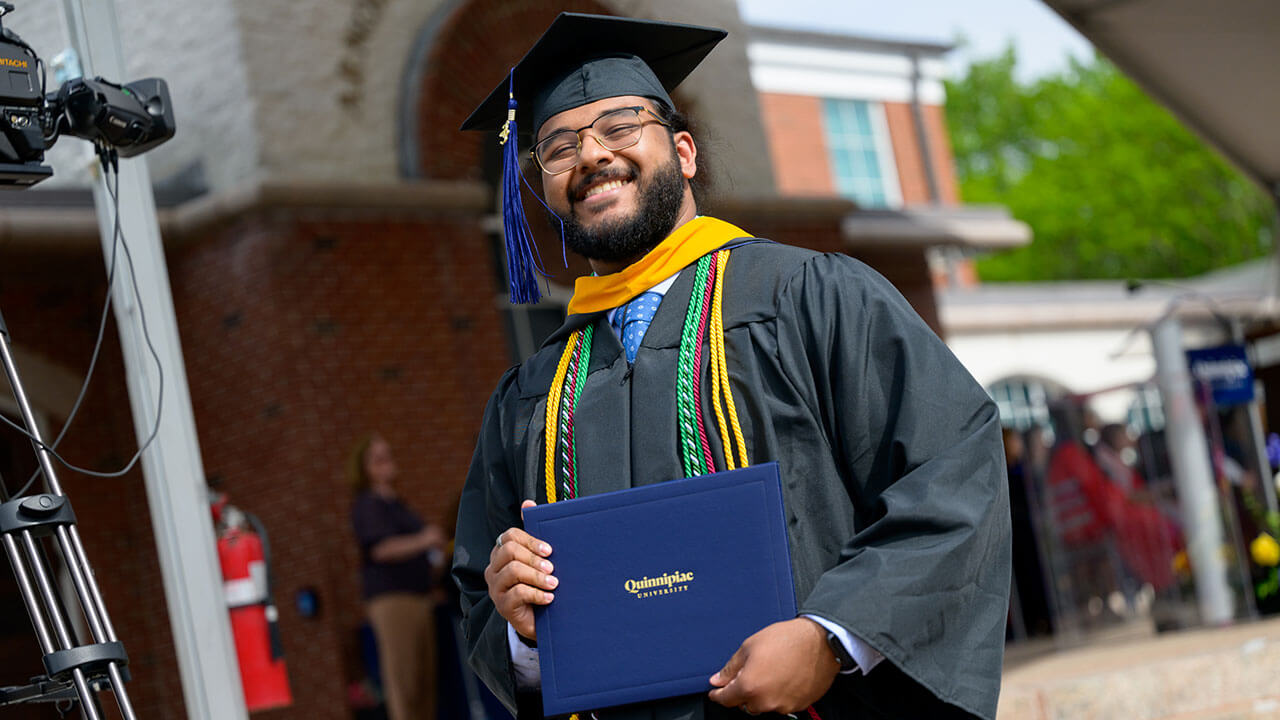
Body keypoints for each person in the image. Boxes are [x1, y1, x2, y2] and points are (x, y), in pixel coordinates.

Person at [452, 13, 1010, 720]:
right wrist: (521, 626)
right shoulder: (530, 396)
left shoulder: (812, 297)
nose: (591, 154)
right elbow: (483, 597)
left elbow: (950, 472)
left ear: (684, 152)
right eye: (558, 146)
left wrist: (832, 638)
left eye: (621, 126)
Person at [350, 433, 446, 720]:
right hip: (392, 601)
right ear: (364, 468)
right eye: (377, 458)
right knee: (403, 682)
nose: (386, 462)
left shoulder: (398, 504)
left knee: (423, 682)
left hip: (419, 597)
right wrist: (424, 540)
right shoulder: (367, 504)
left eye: (387, 455)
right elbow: (381, 549)